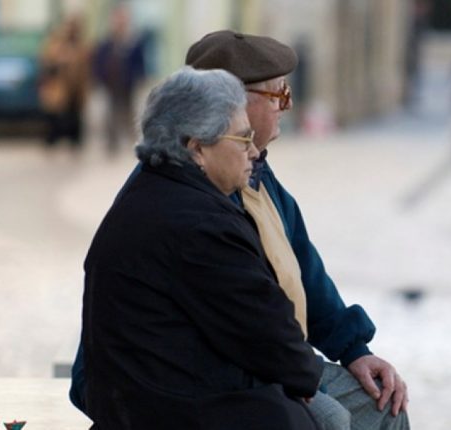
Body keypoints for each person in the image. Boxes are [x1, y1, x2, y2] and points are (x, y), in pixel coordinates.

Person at [71, 31, 409, 429]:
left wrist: (353, 349)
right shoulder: (186, 204)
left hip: (260, 362)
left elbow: (303, 273)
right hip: (212, 379)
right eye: (278, 94)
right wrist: (295, 379)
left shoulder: (249, 175)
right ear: (228, 103)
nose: (287, 106)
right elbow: (249, 322)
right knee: (330, 417)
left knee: (380, 407)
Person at [82, 66, 323, 428]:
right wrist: (305, 375)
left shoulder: (153, 193)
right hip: (179, 412)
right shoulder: (200, 225)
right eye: (243, 138)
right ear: (197, 149)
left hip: (149, 404)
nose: (254, 151)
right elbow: (269, 335)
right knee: (338, 414)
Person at [92, 4, 146, 155]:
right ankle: (112, 142)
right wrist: (99, 78)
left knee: (128, 112)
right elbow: (98, 61)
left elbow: (139, 63)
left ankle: (131, 141)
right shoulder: (106, 42)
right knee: (110, 113)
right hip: (110, 83)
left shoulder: (132, 42)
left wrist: (140, 78)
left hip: (127, 83)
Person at [38, 15, 89, 150]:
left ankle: (74, 141)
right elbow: (47, 63)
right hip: (58, 87)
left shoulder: (81, 46)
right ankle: (52, 140)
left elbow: (85, 68)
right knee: (55, 116)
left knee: (74, 116)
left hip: (76, 88)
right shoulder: (56, 44)